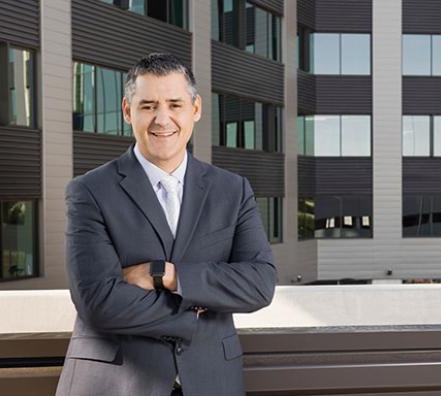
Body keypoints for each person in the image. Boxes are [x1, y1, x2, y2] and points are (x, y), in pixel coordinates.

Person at [55, 53, 277, 396]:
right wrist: (197, 314)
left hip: (211, 381)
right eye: (148, 106)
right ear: (128, 111)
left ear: (196, 108)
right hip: (118, 385)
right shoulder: (89, 191)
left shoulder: (232, 190)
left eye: (175, 104)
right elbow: (98, 302)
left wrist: (169, 275)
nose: (162, 119)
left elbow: (260, 284)